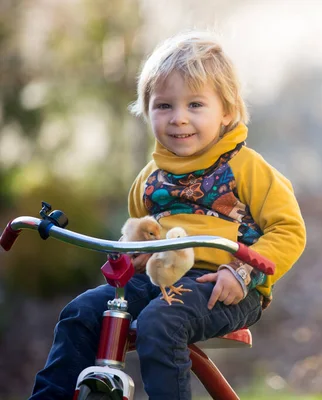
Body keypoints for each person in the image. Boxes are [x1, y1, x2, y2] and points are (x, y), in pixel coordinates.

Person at [30, 30, 306, 400]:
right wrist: (137, 254)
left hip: (224, 284)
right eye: (164, 106)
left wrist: (242, 272)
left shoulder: (246, 167)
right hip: (161, 278)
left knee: (160, 322)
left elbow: (289, 230)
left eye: (195, 105)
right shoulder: (149, 178)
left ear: (227, 111)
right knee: (82, 313)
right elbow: (139, 236)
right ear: (147, 111)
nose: (178, 119)